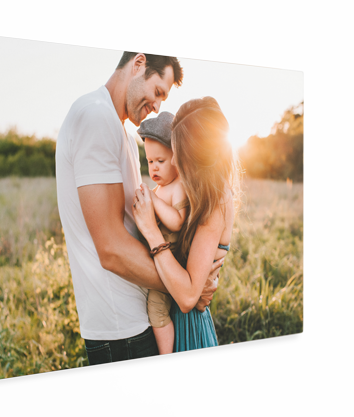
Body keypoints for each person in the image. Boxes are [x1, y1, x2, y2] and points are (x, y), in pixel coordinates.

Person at [56, 52, 223, 366]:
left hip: (134, 318)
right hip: (123, 329)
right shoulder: (95, 117)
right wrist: (188, 289)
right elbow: (111, 248)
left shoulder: (118, 129)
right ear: (138, 64)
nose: (158, 106)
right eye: (158, 92)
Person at [133, 97, 241, 352]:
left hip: (188, 327)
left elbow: (188, 296)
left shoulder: (215, 201)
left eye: (178, 154)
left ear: (196, 157)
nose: (172, 162)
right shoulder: (199, 194)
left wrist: (151, 231)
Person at [137, 111, 188, 355]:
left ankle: (166, 355)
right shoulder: (160, 188)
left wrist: (154, 202)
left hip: (171, 262)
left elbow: (177, 222)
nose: (154, 167)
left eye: (161, 161)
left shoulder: (177, 187)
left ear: (176, 159)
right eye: (150, 162)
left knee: (156, 310)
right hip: (157, 260)